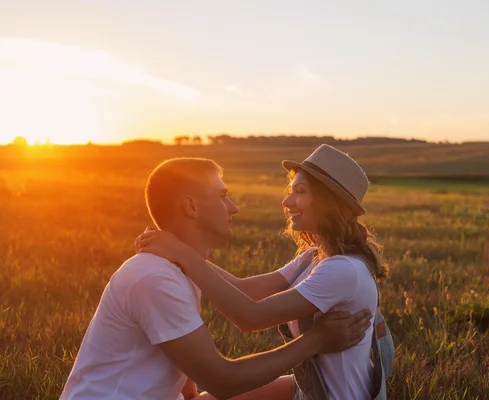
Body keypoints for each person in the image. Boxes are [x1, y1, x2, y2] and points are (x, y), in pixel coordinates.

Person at [59, 157, 372, 400]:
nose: (233, 207)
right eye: (223, 196)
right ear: (191, 206)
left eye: (299, 192)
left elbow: (244, 294)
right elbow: (224, 379)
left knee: (289, 391)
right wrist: (315, 341)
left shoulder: (179, 268)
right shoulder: (155, 276)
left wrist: (183, 254)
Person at [136, 144, 390, 400]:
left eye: (299, 191)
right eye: (290, 190)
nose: (286, 201)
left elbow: (250, 316)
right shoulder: (312, 258)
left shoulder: (343, 270)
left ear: (329, 202)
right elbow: (245, 290)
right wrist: (179, 249)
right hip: (309, 389)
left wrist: (181, 254)